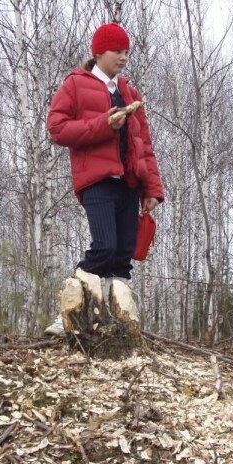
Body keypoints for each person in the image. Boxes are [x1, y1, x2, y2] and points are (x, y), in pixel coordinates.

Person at [44, 22, 165, 336]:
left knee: (123, 253)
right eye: (116, 51)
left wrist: (151, 188)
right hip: (96, 180)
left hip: (130, 182)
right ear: (98, 51)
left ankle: (114, 324)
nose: (123, 57)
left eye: (126, 51)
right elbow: (57, 129)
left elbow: (145, 144)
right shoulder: (75, 84)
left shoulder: (129, 92)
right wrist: (104, 125)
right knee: (105, 247)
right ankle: (67, 314)